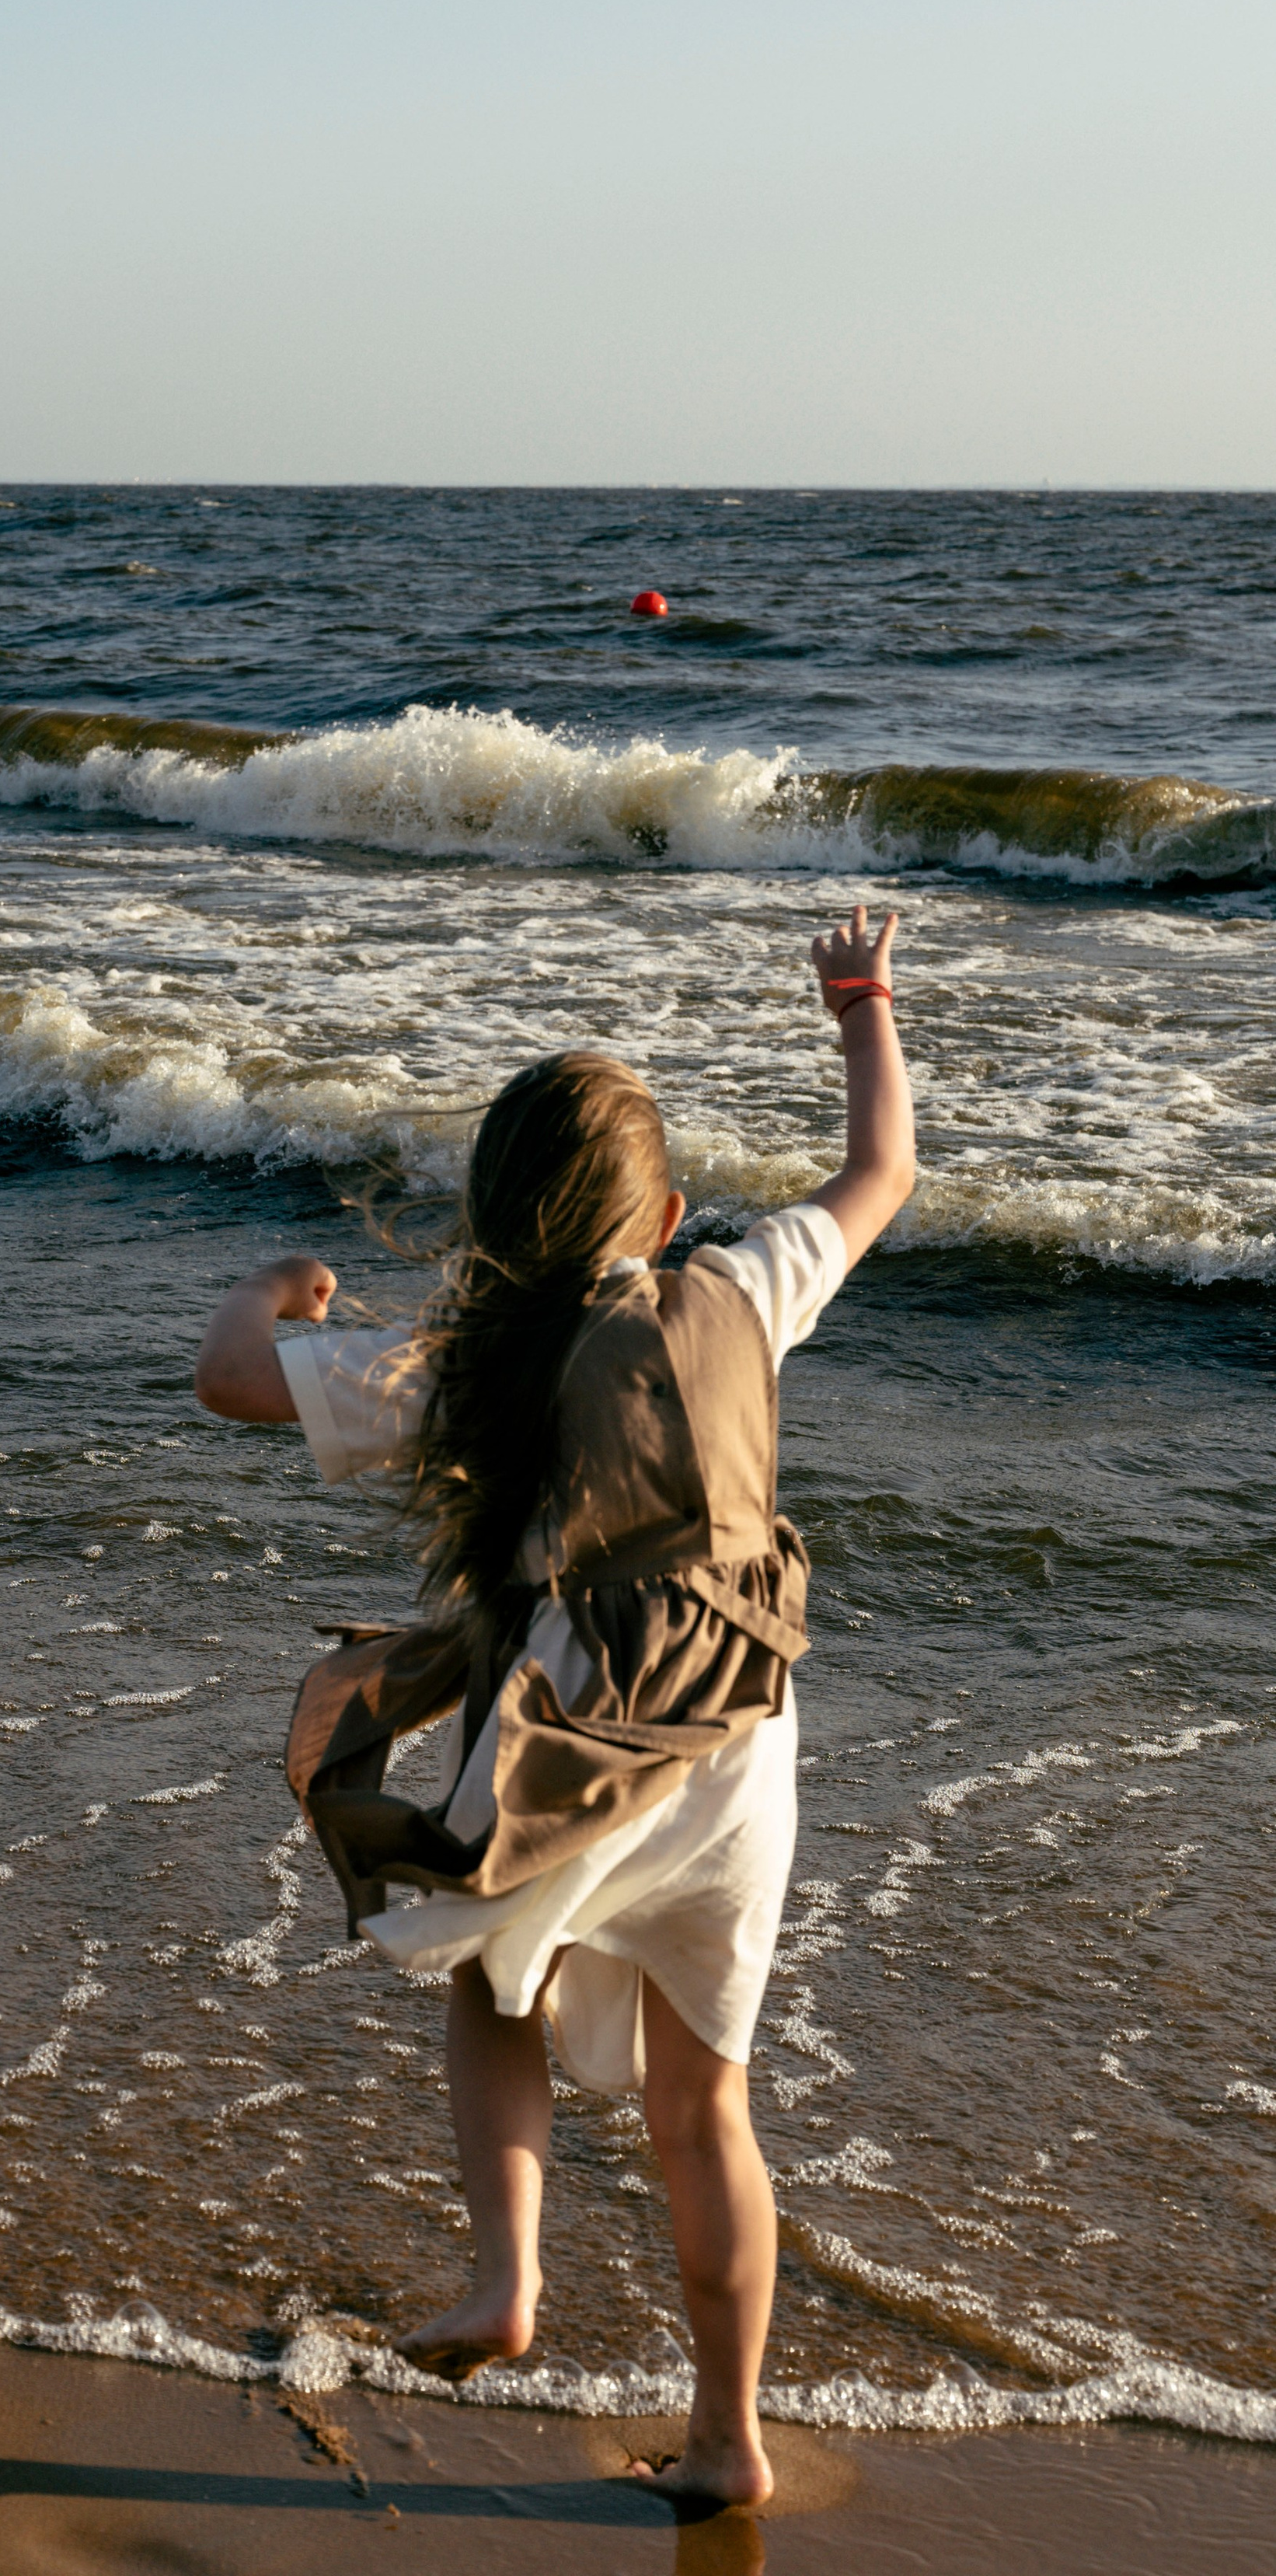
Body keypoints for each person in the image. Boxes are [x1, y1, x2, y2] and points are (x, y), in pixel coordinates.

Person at [193, 906, 913, 2511]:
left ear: (491, 1224)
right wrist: (858, 1001)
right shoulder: (737, 1285)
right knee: (700, 2101)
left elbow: (230, 1377)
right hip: (740, 1739)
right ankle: (728, 2437)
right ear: (659, 1214)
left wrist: (273, 1291)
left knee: (489, 1978)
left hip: (578, 1746)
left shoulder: (470, 1365)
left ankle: (502, 2283)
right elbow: (879, 1173)